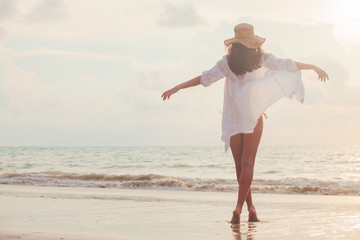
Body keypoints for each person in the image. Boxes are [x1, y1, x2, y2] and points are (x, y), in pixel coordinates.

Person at [161, 23, 329, 224]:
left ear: (235, 43)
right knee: (248, 163)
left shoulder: (227, 62)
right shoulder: (262, 59)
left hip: (232, 116)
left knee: (239, 166)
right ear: (253, 42)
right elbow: (288, 64)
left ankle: (250, 209)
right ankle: (240, 208)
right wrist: (313, 66)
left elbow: (204, 78)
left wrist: (178, 86)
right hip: (252, 114)